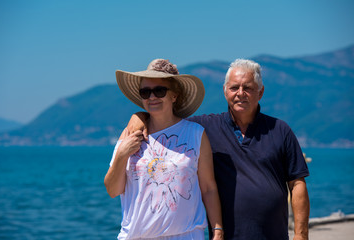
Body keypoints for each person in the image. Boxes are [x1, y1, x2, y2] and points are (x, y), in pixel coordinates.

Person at [126, 59, 310, 240]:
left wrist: (301, 235)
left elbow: (297, 184)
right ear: (224, 91)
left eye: (247, 88)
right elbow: (166, 119)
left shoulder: (280, 129)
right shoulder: (202, 129)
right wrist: (140, 116)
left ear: (260, 92)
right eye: (234, 88)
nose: (240, 93)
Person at [104, 59, 224, 240]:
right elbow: (113, 190)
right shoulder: (130, 134)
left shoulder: (196, 134)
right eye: (145, 92)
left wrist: (218, 231)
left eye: (159, 91)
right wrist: (121, 155)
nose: (152, 97)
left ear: (174, 95)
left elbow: (208, 188)